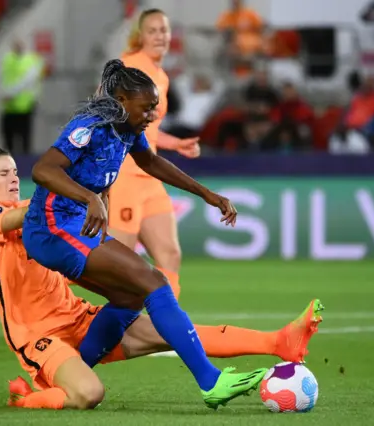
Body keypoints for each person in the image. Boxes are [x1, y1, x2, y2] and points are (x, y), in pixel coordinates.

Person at [0, 132, 325, 410]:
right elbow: (23, 213)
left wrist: (94, 187)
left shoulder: (43, 211)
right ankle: (27, 397)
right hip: (38, 336)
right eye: (3, 174)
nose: (13, 178)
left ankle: (278, 342)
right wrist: (72, 186)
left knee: (171, 329)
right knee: (88, 395)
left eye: (15, 171)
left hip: (79, 318)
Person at [22, 58, 278, 409]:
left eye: (155, 107)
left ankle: (68, 377)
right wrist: (89, 198)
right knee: (154, 282)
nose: (153, 115)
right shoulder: (89, 126)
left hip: (76, 227)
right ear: (123, 101)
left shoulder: (128, 129)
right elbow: (42, 169)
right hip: (51, 229)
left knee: (130, 297)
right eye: (147, 107)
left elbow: (151, 162)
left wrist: (207, 194)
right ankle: (211, 381)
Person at [110, 9, 200, 300]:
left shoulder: (160, 76)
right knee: (116, 265)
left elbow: (147, 130)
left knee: (169, 254)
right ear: (141, 35)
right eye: (153, 30)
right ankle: (44, 277)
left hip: (149, 174)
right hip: (124, 174)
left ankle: (167, 329)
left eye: (164, 30)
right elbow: (104, 115)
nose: (160, 36)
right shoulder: (127, 68)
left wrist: (175, 144)